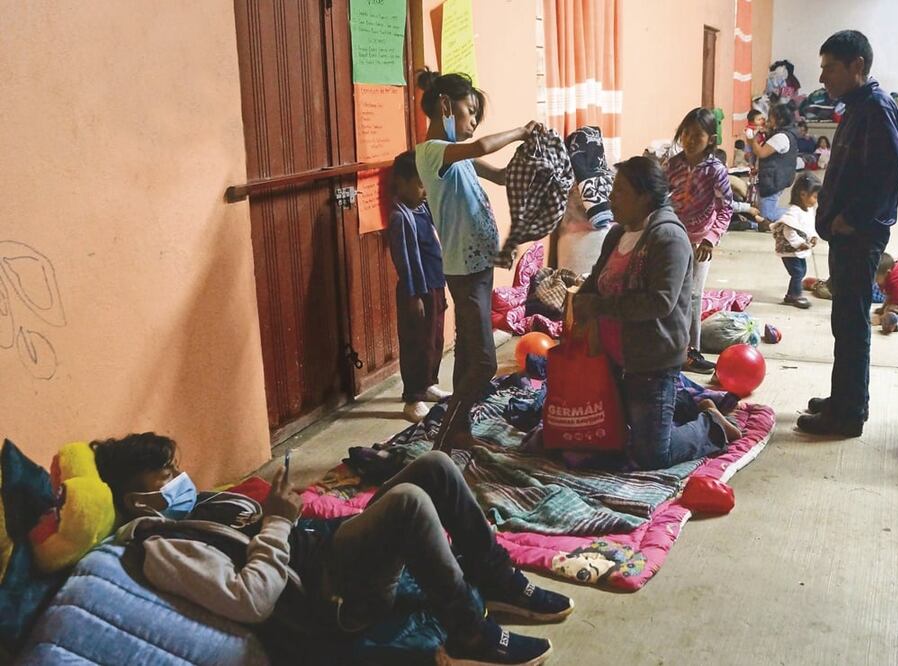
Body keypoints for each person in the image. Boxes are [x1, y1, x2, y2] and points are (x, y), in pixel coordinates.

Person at [94, 433, 572, 665]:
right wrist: (278, 521)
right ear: (136, 501)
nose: (180, 480)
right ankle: (469, 633)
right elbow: (250, 599)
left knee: (436, 465)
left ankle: (496, 578)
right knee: (409, 502)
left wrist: (284, 514)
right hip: (329, 598)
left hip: (323, 550)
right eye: (165, 477)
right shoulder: (163, 547)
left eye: (176, 470)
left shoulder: (196, 507)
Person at [573, 157, 742, 470]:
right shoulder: (617, 234)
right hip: (616, 359)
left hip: (652, 361)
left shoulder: (668, 238)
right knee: (603, 432)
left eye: (620, 191)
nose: (611, 198)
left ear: (644, 197)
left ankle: (712, 426)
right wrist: (579, 304)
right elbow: (596, 279)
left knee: (651, 454)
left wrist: (599, 306)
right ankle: (695, 404)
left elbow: (660, 302)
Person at [413, 69, 536, 452]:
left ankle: (459, 429)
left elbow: (500, 176)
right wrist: (520, 131)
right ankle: (446, 435)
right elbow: (482, 147)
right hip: (464, 273)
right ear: (445, 106)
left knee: (468, 353)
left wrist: (529, 159)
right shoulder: (432, 152)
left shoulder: (459, 156)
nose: (473, 124)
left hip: (479, 267)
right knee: (484, 363)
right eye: (470, 112)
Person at [797, 29, 898, 438]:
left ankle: (847, 415)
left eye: (829, 68)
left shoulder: (876, 108)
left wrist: (853, 218)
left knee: (852, 324)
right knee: (845, 322)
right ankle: (846, 398)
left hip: (859, 237)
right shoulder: (859, 106)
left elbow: (890, 170)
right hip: (846, 235)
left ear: (856, 65)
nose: (822, 77)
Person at [666, 108, 734, 374]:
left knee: (693, 296)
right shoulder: (672, 165)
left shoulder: (715, 171)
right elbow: (661, 195)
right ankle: (671, 347)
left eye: (697, 135)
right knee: (671, 293)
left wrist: (710, 239)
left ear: (711, 140)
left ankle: (692, 352)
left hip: (699, 242)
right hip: (674, 236)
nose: (690, 140)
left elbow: (725, 208)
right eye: (686, 133)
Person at [387, 151, 451, 424]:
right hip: (417, 291)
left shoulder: (423, 209)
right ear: (401, 183)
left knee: (434, 339)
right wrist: (414, 296)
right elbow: (404, 260)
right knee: (416, 343)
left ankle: (428, 384)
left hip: (435, 285)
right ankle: (413, 398)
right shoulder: (400, 217)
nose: (425, 191)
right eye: (420, 184)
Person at [770, 173, 821, 309]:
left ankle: (791, 294)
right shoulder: (794, 212)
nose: (816, 201)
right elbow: (788, 231)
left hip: (799, 250)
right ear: (803, 194)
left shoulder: (809, 210)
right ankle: (795, 296)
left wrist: (813, 236)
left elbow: (809, 226)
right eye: (815, 197)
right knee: (797, 273)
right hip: (789, 250)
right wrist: (799, 243)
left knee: (802, 271)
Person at [747, 104, 799, 226]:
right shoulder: (784, 134)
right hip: (774, 178)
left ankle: (797, 216)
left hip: (774, 179)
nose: (767, 120)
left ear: (780, 119)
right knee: (764, 210)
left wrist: (752, 140)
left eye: (771, 117)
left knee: (767, 215)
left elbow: (761, 152)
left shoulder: (781, 137)